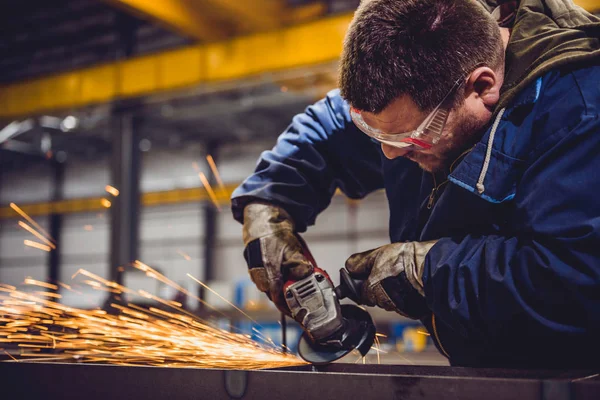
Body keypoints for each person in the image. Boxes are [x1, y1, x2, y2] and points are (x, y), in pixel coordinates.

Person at [231, 0, 600, 368]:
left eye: (412, 140)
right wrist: (267, 206)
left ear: (482, 87)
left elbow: (574, 282)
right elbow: (327, 127)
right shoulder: (411, 91)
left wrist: (426, 270)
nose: (390, 155)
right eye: (377, 136)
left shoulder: (579, 113)